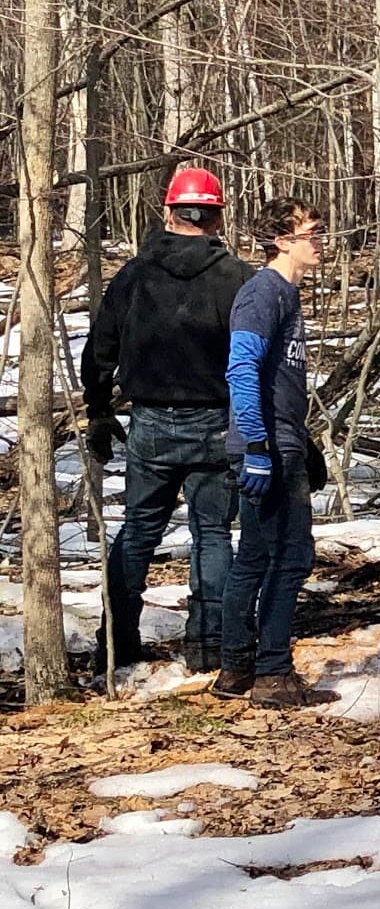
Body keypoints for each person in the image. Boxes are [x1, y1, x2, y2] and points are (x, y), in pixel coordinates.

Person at [80, 165, 253, 673]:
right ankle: (209, 646)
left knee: (137, 531)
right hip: (215, 423)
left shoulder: (134, 275)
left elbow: (99, 351)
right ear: (217, 217)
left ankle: (116, 643)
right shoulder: (237, 278)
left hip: (151, 423)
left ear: (169, 212)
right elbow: (254, 357)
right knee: (213, 534)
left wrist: (98, 409)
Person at [216, 198, 337, 707]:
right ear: (283, 241)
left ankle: (237, 669)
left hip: (282, 441)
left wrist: (299, 440)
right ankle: (271, 674)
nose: (320, 242)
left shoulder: (287, 294)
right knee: (287, 558)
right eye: (311, 233)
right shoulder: (262, 294)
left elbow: (276, 381)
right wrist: (259, 448)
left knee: (257, 556)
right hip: (264, 448)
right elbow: (241, 369)